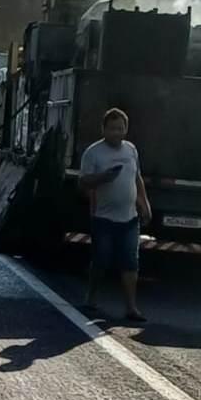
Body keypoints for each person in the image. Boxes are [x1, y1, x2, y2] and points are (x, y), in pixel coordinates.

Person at [79, 108, 152, 321]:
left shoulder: (131, 150)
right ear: (103, 129)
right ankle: (91, 297)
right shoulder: (93, 153)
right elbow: (83, 182)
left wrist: (144, 203)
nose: (116, 133)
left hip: (129, 218)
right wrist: (103, 178)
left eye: (120, 128)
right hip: (103, 218)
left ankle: (131, 307)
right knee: (101, 259)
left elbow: (136, 178)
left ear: (126, 129)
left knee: (130, 262)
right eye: (112, 129)